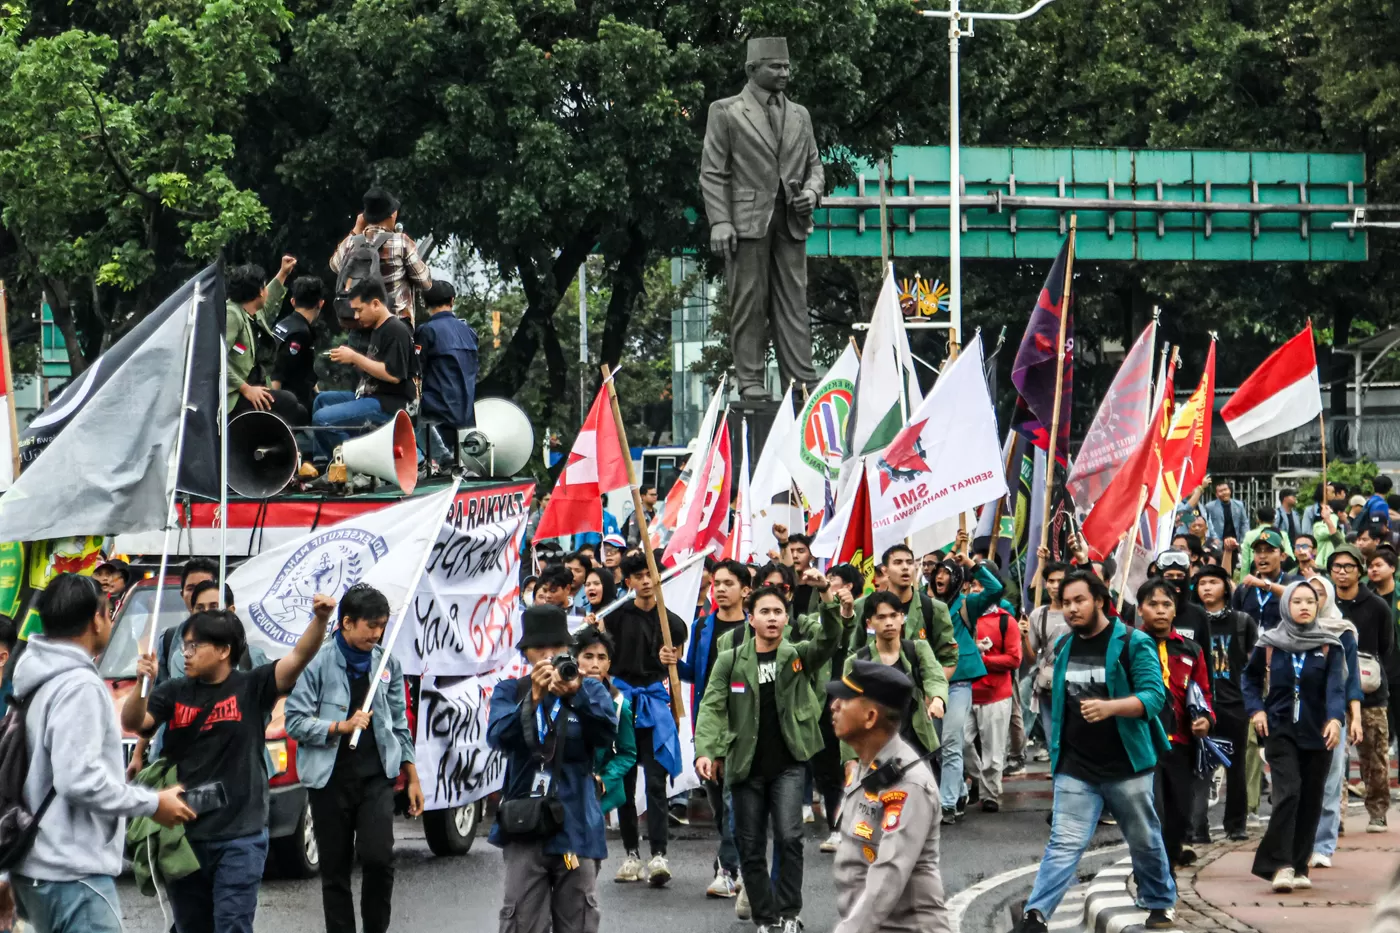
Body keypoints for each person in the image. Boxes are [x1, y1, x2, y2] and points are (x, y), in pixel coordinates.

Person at [123, 597, 330, 933]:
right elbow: (136, 722)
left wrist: (320, 620)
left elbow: (299, 657)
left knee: (232, 924)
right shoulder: (173, 691)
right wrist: (142, 686)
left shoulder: (252, 686)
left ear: (223, 650)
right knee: (192, 926)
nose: (185, 653)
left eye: (195, 645)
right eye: (184, 645)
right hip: (185, 835)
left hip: (241, 834)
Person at [5, 574, 194, 933]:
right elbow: (78, 780)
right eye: (108, 611)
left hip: (35, 869)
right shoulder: (79, 685)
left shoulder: (35, 676)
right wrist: (153, 804)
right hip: (73, 875)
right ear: (96, 618)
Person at [1015, 571, 1176, 933]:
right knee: (1064, 842)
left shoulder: (1134, 643)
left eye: (1079, 601)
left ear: (1100, 601)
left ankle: (1160, 902)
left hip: (1127, 766)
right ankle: (1035, 916)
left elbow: (1154, 696)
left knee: (1144, 838)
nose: (1071, 609)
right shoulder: (1064, 646)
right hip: (1076, 767)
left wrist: (1111, 707)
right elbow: (1059, 706)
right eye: (1066, 602)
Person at [694, 582, 844, 933]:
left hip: (789, 766)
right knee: (750, 846)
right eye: (765, 611)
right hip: (744, 767)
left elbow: (829, 639)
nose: (772, 618)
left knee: (790, 838)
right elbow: (712, 707)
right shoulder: (731, 660)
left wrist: (826, 599)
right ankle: (766, 919)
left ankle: (790, 913)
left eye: (778, 612)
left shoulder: (797, 654)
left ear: (786, 618)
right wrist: (707, 750)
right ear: (751, 618)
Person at [285, 584, 423, 933]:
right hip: (328, 779)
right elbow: (294, 721)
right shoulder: (317, 661)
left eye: (382, 626)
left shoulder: (387, 662)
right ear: (346, 623)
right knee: (335, 869)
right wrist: (339, 727)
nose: (377, 634)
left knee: (379, 859)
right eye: (371, 626)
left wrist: (413, 776)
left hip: (377, 777)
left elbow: (399, 722)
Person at [487, 604, 618, 933]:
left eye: (555, 649)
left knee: (578, 917)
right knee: (521, 919)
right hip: (525, 825)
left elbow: (606, 733)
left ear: (567, 651)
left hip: (574, 829)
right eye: (539, 649)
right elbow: (498, 737)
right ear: (527, 653)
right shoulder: (510, 691)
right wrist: (533, 696)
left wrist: (575, 696)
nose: (547, 655)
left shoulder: (589, 688)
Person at [827, 660, 949, 933]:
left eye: (845, 699)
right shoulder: (866, 765)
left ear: (870, 718)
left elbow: (889, 873)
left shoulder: (909, 784)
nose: (834, 705)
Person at [1242, 580, 1347, 892]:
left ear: (1317, 607)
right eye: (1297, 601)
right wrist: (1256, 710)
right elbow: (1249, 680)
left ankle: (1300, 865)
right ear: (1286, 604)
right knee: (1289, 793)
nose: (1304, 606)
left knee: (1312, 798)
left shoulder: (1330, 645)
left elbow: (1336, 689)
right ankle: (1280, 865)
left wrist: (1335, 720)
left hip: (1318, 732)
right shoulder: (1270, 643)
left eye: (1310, 602)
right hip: (1279, 728)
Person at [608, 554, 687, 886]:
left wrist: (674, 657)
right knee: (624, 786)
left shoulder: (672, 622)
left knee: (655, 783)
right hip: (623, 704)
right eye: (638, 576)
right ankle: (630, 854)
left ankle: (658, 855)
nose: (645, 581)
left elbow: (678, 662)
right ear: (629, 582)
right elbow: (600, 659)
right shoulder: (614, 619)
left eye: (650, 575)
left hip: (655, 705)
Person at [678, 559, 751, 896]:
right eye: (716, 583)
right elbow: (695, 672)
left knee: (735, 800)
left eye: (728, 583)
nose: (720, 589)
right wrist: (674, 664)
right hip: (708, 726)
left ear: (745, 591)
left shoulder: (755, 628)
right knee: (720, 805)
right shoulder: (703, 626)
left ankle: (727, 870)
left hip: (745, 726)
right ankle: (737, 860)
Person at [1136, 577, 1214, 867]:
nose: (1159, 610)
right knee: (1153, 810)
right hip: (1144, 743)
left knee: (1180, 813)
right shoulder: (1129, 646)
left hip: (1181, 743)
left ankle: (1168, 864)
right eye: (1152, 604)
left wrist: (1205, 719)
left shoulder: (1191, 650)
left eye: (1166, 604)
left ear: (1175, 610)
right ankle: (1156, 877)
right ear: (1140, 609)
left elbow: (1204, 691)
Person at [927, 541, 1003, 824]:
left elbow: (995, 589)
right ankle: (958, 791)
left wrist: (971, 564)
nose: (940, 577)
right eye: (936, 574)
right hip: (933, 683)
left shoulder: (967, 604)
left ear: (957, 579)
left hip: (958, 682)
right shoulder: (928, 606)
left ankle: (946, 804)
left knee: (950, 741)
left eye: (946, 573)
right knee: (934, 744)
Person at [311, 277, 416, 463]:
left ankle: (352, 467)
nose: (357, 316)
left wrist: (355, 357)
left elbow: (393, 376)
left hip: (388, 403)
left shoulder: (396, 330)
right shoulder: (376, 328)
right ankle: (329, 463)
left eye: (359, 310)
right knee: (321, 401)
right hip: (368, 395)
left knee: (322, 419)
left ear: (375, 304)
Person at [1328, 544, 1394, 832]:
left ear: (1360, 570)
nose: (1342, 573)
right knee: (1333, 759)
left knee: (1375, 755)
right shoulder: (1325, 604)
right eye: (1337, 567)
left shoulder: (1377, 605)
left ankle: (1377, 811)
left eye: (1348, 567)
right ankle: (1336, 818)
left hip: (1371, 690)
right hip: (1332, 690)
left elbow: (1386, 647)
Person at [842, 591, 948, 766]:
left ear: (902, 618)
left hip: (917, 748)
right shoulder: (857, 662)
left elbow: (934, 677)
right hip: (876, 752)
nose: (889, 622)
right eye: (881, 617)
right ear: (869, 623)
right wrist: (850, 761)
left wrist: (937, 699)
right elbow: (848, 714)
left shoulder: (917, 649)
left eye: (893, 615)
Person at [1194, 564, 1257, 840]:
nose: (1207, 588)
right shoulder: (1193, 621)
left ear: (1226, 587)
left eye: (1213, 582)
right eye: (1202, 583)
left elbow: (1255, 664)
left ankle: (1236, 825)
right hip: (1199, 705)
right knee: (1199, 767)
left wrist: (1253, 702)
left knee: (1236, 768)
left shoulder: (1242, 622)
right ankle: (1197, 827)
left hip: (1234, 703)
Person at [1308, 575, 1364, 869]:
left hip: (1334, 715)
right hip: (1300, 715)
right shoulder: (1291, 631)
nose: (1311, 600)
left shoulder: (1343, 631)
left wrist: (1354, 717)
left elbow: (1351, 676)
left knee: (1331, 781)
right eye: (1305, 595)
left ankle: (1323, 845)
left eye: (1318, 594)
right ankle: (1299, 841)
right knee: (1299, 781)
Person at [964, 575, 1021, 813]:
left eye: (980, 586)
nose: (975, 589)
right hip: (965, 693)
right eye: (972, 585)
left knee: (993, 752)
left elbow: (1014, 659)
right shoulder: (961, 618)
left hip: (995, 695)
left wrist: (983, 660)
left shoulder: (1006, 621)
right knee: (960, 743)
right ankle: (981, 779)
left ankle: (990, 795)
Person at [330, 187, 432, 320]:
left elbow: (334, 265)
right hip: (396, 323)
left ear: (365, 217)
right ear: (391, 214)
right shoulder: (401, 242)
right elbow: (425, 282)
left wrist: (357, 229)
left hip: (361, 324)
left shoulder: (351, 242)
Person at [226, 257, 306, 424]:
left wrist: (283, 273)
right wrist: (246, 389)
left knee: (299, 410)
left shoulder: (252, 311)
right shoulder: (232, 315)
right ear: (259, 292)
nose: (266, 291)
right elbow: (213, 360)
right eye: (264, 286)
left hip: (256, 385)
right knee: (289, 402)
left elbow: (269, 302)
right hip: (235, 394)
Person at [573, 626, 637, 831]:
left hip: (596, 793)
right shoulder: (561, 697)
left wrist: (604, 779)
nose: (594, 664)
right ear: (576, 659)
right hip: (564, 787)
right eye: (588, 656)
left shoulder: (619, 705)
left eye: (601, 658)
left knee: (587, 857)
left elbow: (627, 753)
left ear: (609, 663)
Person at [414, 280, 479, 464]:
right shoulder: (469, 332)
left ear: (424, 303)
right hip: (466, 415)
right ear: (452, 300)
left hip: (435, 414)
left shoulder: (426, 331)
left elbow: (416, 372)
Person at [1023, 559, 1071, 764]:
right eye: (1050, 581)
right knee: (1053, 738)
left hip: (1075, 685)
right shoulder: (1038, 615)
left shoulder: (1078, 612)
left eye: (1059, 581)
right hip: (1048, 685)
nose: (1054, 586)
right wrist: (1024, 636)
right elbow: (1031, 658)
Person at [270, 275, 325, 415]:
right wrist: (271, 412)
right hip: (294, 406)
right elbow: (278, 373)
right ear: (321, 303)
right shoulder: (300, 334)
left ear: (293, 301)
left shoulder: (283, 324)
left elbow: (307, 371)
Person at [1232, 528, 1300, 630]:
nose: (1263, 556)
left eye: (1270, 550)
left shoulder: (1294, 581)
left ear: (1283, 556)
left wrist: (1265, 585)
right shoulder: (1244, 589)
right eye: (1258, 551)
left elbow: (1298, 596)